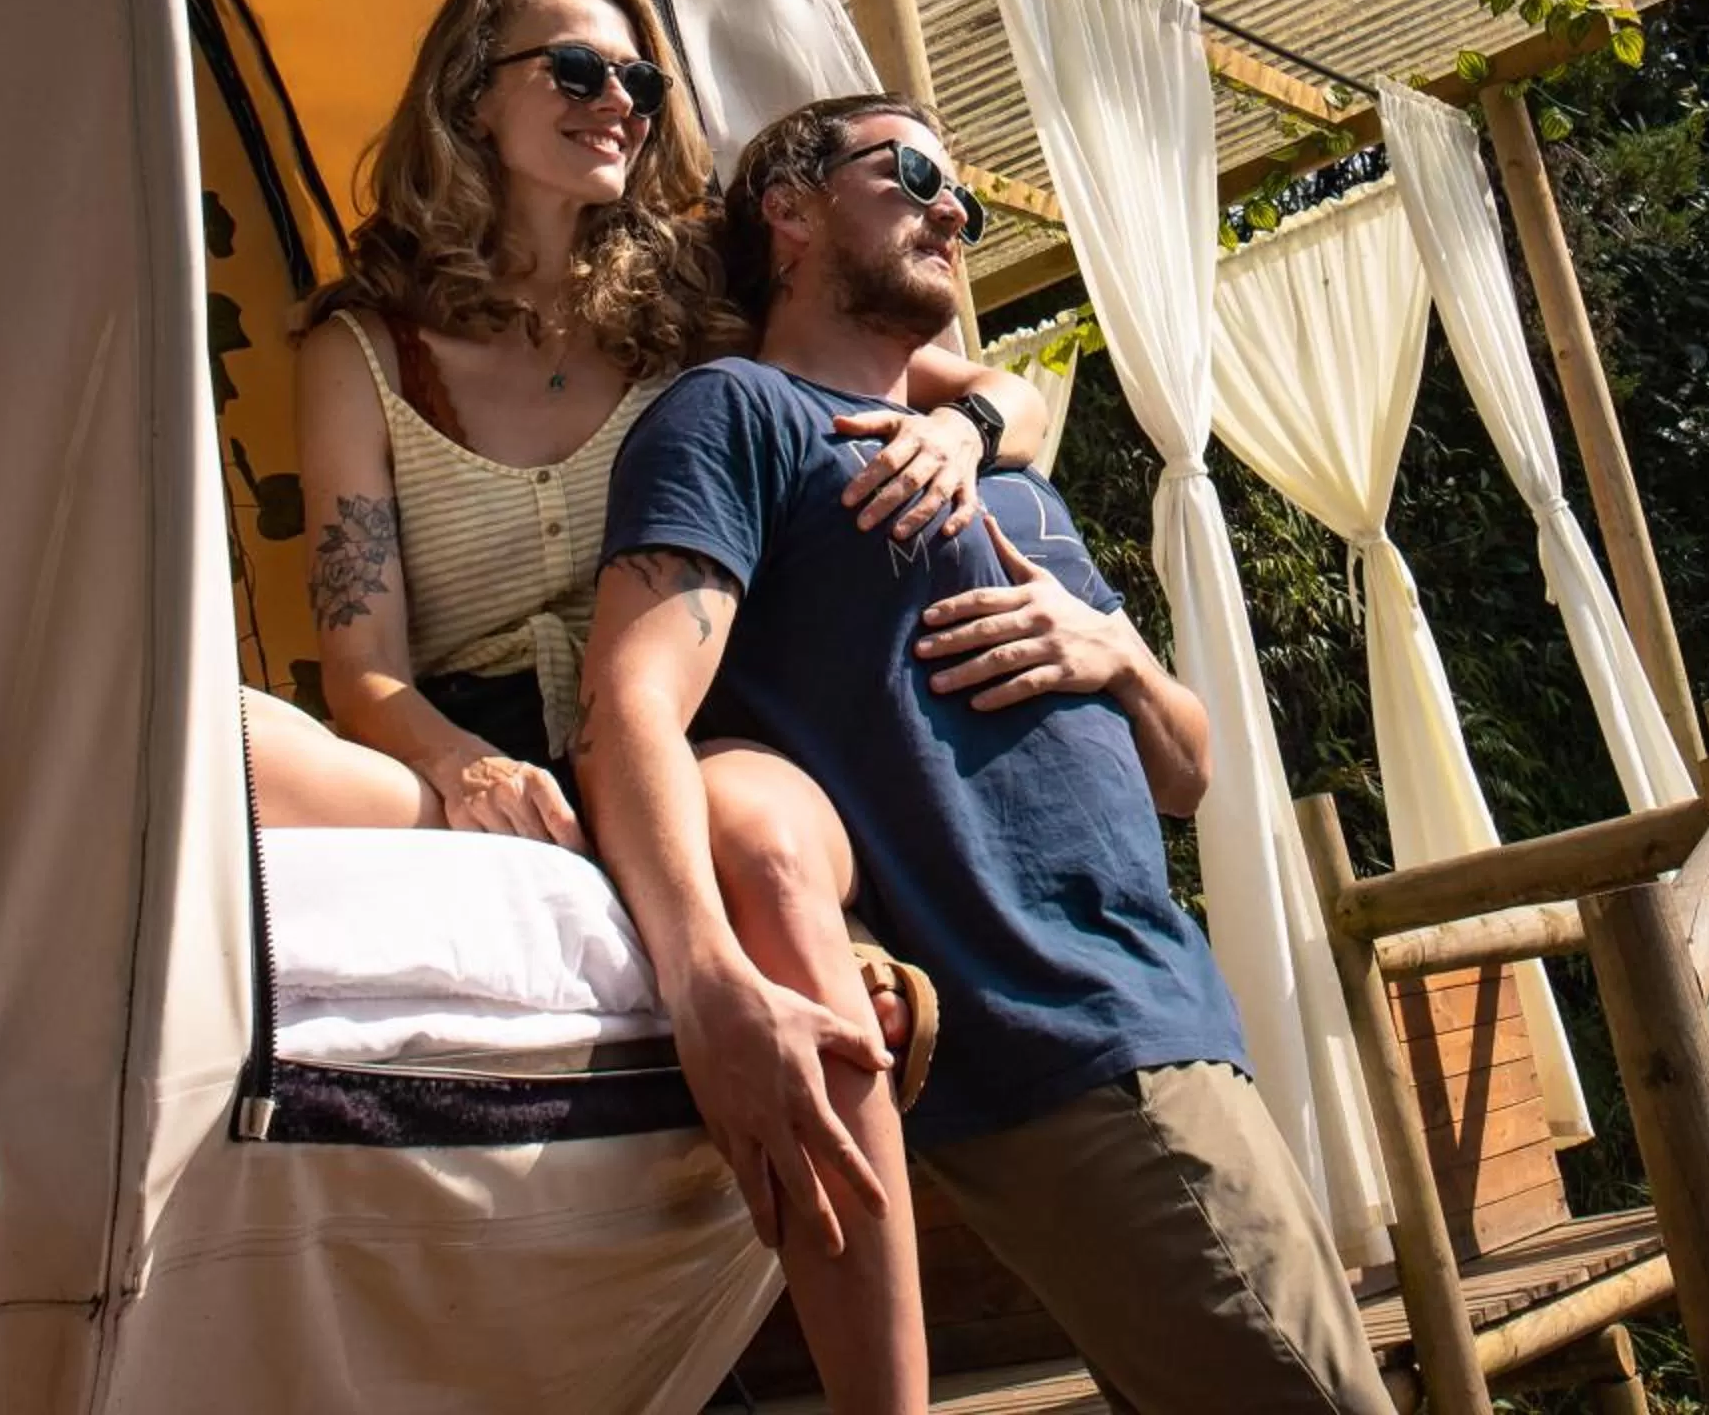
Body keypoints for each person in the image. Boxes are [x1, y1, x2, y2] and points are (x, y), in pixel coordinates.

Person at [575, 93, 1391, 1415]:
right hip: (1045, 1028)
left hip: (1178, 1012)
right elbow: (632, 705)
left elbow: (1186, 773)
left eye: (961, 191)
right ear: (785, 207)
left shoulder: (1010, 477)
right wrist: (706, 977)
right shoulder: (740, 419)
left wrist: (1115, 655)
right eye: (911, 175)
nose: (953, 209)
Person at [246, 0, 1041, 866]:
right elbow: (364, 670)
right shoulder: (362, 353)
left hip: (683, 759)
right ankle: (539, 860)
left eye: (642, 82)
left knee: (759, 813)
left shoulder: (698, 296)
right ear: (470, 99)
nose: (619, 102)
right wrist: (470, 774)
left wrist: (958, 436)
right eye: (578, 70)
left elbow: (1004, 394)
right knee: (223, 731)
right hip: (459, 770)